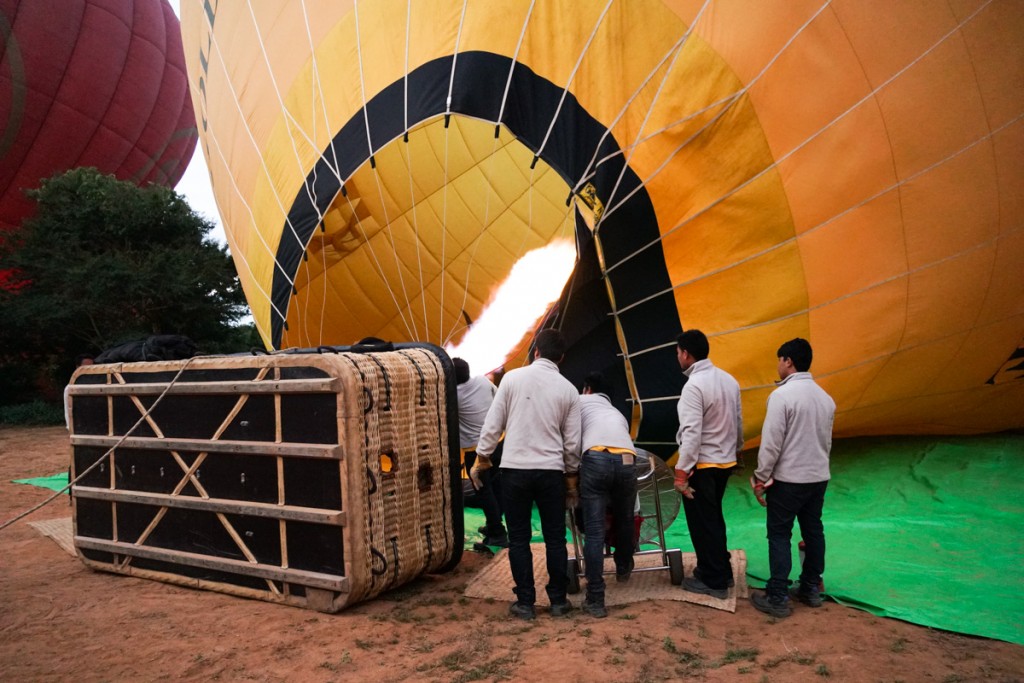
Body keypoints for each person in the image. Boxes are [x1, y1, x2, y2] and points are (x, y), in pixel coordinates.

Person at [472, 329, 582, 620]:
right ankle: (558, 601)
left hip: (515, 471)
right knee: (555, 538)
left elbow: (494, 423)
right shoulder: (569, 390)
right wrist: (571, 479)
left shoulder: (512, 379)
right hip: (550, 473)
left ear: (536, 351)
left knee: (519, 538)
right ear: (561, 358)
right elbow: (572, 443)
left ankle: (525, 603)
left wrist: (482, 458)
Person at [749, 338, 836, 618]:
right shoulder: (825, 398)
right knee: (813, 530)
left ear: (788, 361)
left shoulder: (782, 396)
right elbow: (826, 442)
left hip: (789, 481)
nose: (778, 365)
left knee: (779, 534)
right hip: (818, 476)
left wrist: (760, 477)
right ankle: (811, 587)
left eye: (779, 360)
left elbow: (771, 444)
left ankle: (777, 595)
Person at [674, 329, 743, 600]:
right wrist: (736, 453)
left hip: (701, 465)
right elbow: (737, 421)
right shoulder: (729, 380)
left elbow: (691, 432)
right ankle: (718, 571)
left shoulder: (694, 386)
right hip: (724, 461)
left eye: (678, 352)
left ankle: (714, 581)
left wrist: (681, 472)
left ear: (686, 354)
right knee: (713, 518)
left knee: (703, 522)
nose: (677, 357)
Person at [577, 371, 637, 618]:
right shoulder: (616, 412)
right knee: (624, 518)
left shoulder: (579, 402)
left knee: (594, 529)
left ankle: (596, 598)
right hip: (626, 459)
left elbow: (570, 438)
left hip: (596, 458)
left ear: (587, 388)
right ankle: (623, 565)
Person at [453, 357, 506, 547]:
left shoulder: (453, 397)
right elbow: (498, 399)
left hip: (475, 452)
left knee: (484, 491)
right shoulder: (483, 381)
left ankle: (498, 533)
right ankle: (494, 524)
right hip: (497, 442)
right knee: (497, 484)